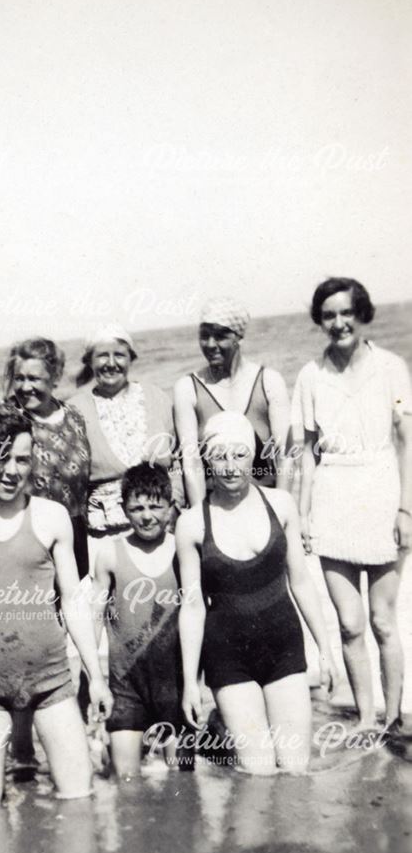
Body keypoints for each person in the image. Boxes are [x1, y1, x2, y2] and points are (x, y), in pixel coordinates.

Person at [0, 404, 112, 808]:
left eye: (22, 459)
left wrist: (95, 675)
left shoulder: (52, 517)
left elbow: (73, 600)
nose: (12, 470)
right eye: (1, 456)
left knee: (79, 800)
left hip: (53, 684)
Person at [0, 337, 92, 769]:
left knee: (57, 642)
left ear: (55, 378)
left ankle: (62, 736)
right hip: (15, 544)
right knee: (20, 639)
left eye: (36, 378)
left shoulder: (74, 418)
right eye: (20, 377)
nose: (27, 386)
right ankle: (22, 747)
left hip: (70, 539)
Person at [175, 411, 338, 774]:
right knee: (259, 774)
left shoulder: (280, 504)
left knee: (296, 769)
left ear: (253, 455)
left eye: (239, 454)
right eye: (220, 456)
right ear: (207, 461)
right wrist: (190, 683)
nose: (231, 466)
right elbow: (192, 606)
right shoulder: (191, 525)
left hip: (284, 646)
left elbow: (301, 581)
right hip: (228, 657)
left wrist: (326, 651)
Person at [293, 277, 412, 729]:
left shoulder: (392, 368)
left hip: (383, 494)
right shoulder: (310, 375)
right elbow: (304, 450)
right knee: (350, 624)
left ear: (361, 314)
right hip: (333, 499)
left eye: (346, 312)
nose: (339, 323)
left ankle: (396, 718)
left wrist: (407, 509)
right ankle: (365, 720)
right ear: (320, 321)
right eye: (329, 315)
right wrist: (301, 515)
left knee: (383, 621)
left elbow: (407, 440)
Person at [91, 463, 188, 777]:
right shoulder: (109, 553)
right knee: (127, 784)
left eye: (156, 506)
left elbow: (200, 614)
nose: (147, 516)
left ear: (171, 506)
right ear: (123, 510)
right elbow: (93, 618)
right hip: (126, 686)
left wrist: (197, 683)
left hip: (175, 687)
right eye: (137, 508)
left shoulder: (183, 551)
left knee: (183, 783)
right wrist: (93, 677)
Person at [174, 296, 293, 508]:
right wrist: (202, 519)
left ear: (239, 337)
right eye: (204, 336)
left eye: (220, 336)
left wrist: (282, 509)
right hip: (214, 506)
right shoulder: (187, 388)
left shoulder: (269, 382)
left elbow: (285, 455)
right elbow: (191, 462)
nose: (210, 344)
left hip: (264, 504)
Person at [70, 324, 183, 538]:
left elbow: (178, 462)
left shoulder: (156, 397)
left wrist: (174, 506)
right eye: (103, 356)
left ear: (131, 358)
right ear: (89, 361)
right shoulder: (74, 410)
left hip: (162, 525)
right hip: (106, 532)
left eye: (119, 355)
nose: (111, 364)